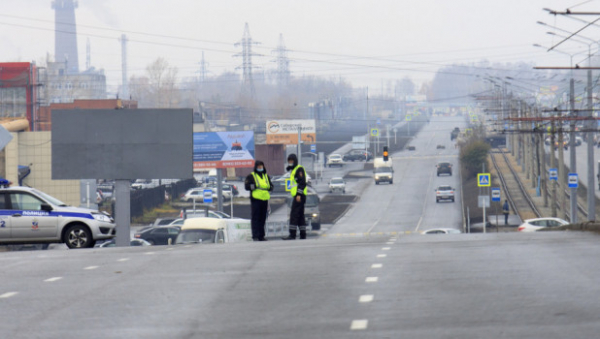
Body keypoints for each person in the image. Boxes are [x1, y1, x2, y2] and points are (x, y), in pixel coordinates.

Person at [244, 160, 273, 241]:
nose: (260, 168)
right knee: (256, 218)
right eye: (259, 166)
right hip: (256, 200)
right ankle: (255, 236)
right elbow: (247, 186)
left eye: (261, 166)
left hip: (264, 199)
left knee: (263, 218)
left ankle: (261, 235)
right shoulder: (251, 176)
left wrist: (270, 187)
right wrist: (253, 187)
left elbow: (271, 185)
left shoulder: (266, 176)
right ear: (256, 167)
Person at [283, 154, 308, 240]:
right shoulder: (293, 170)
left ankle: (292, 234)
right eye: (289, 161)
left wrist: (298, 194)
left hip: (299, 196)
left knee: (294, 214)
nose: (290, 162)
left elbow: (302, 182)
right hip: (298, 196)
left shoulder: (299, 169)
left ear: (295, 161)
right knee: (300, 215)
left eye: (291, 161)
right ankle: (303, 234)